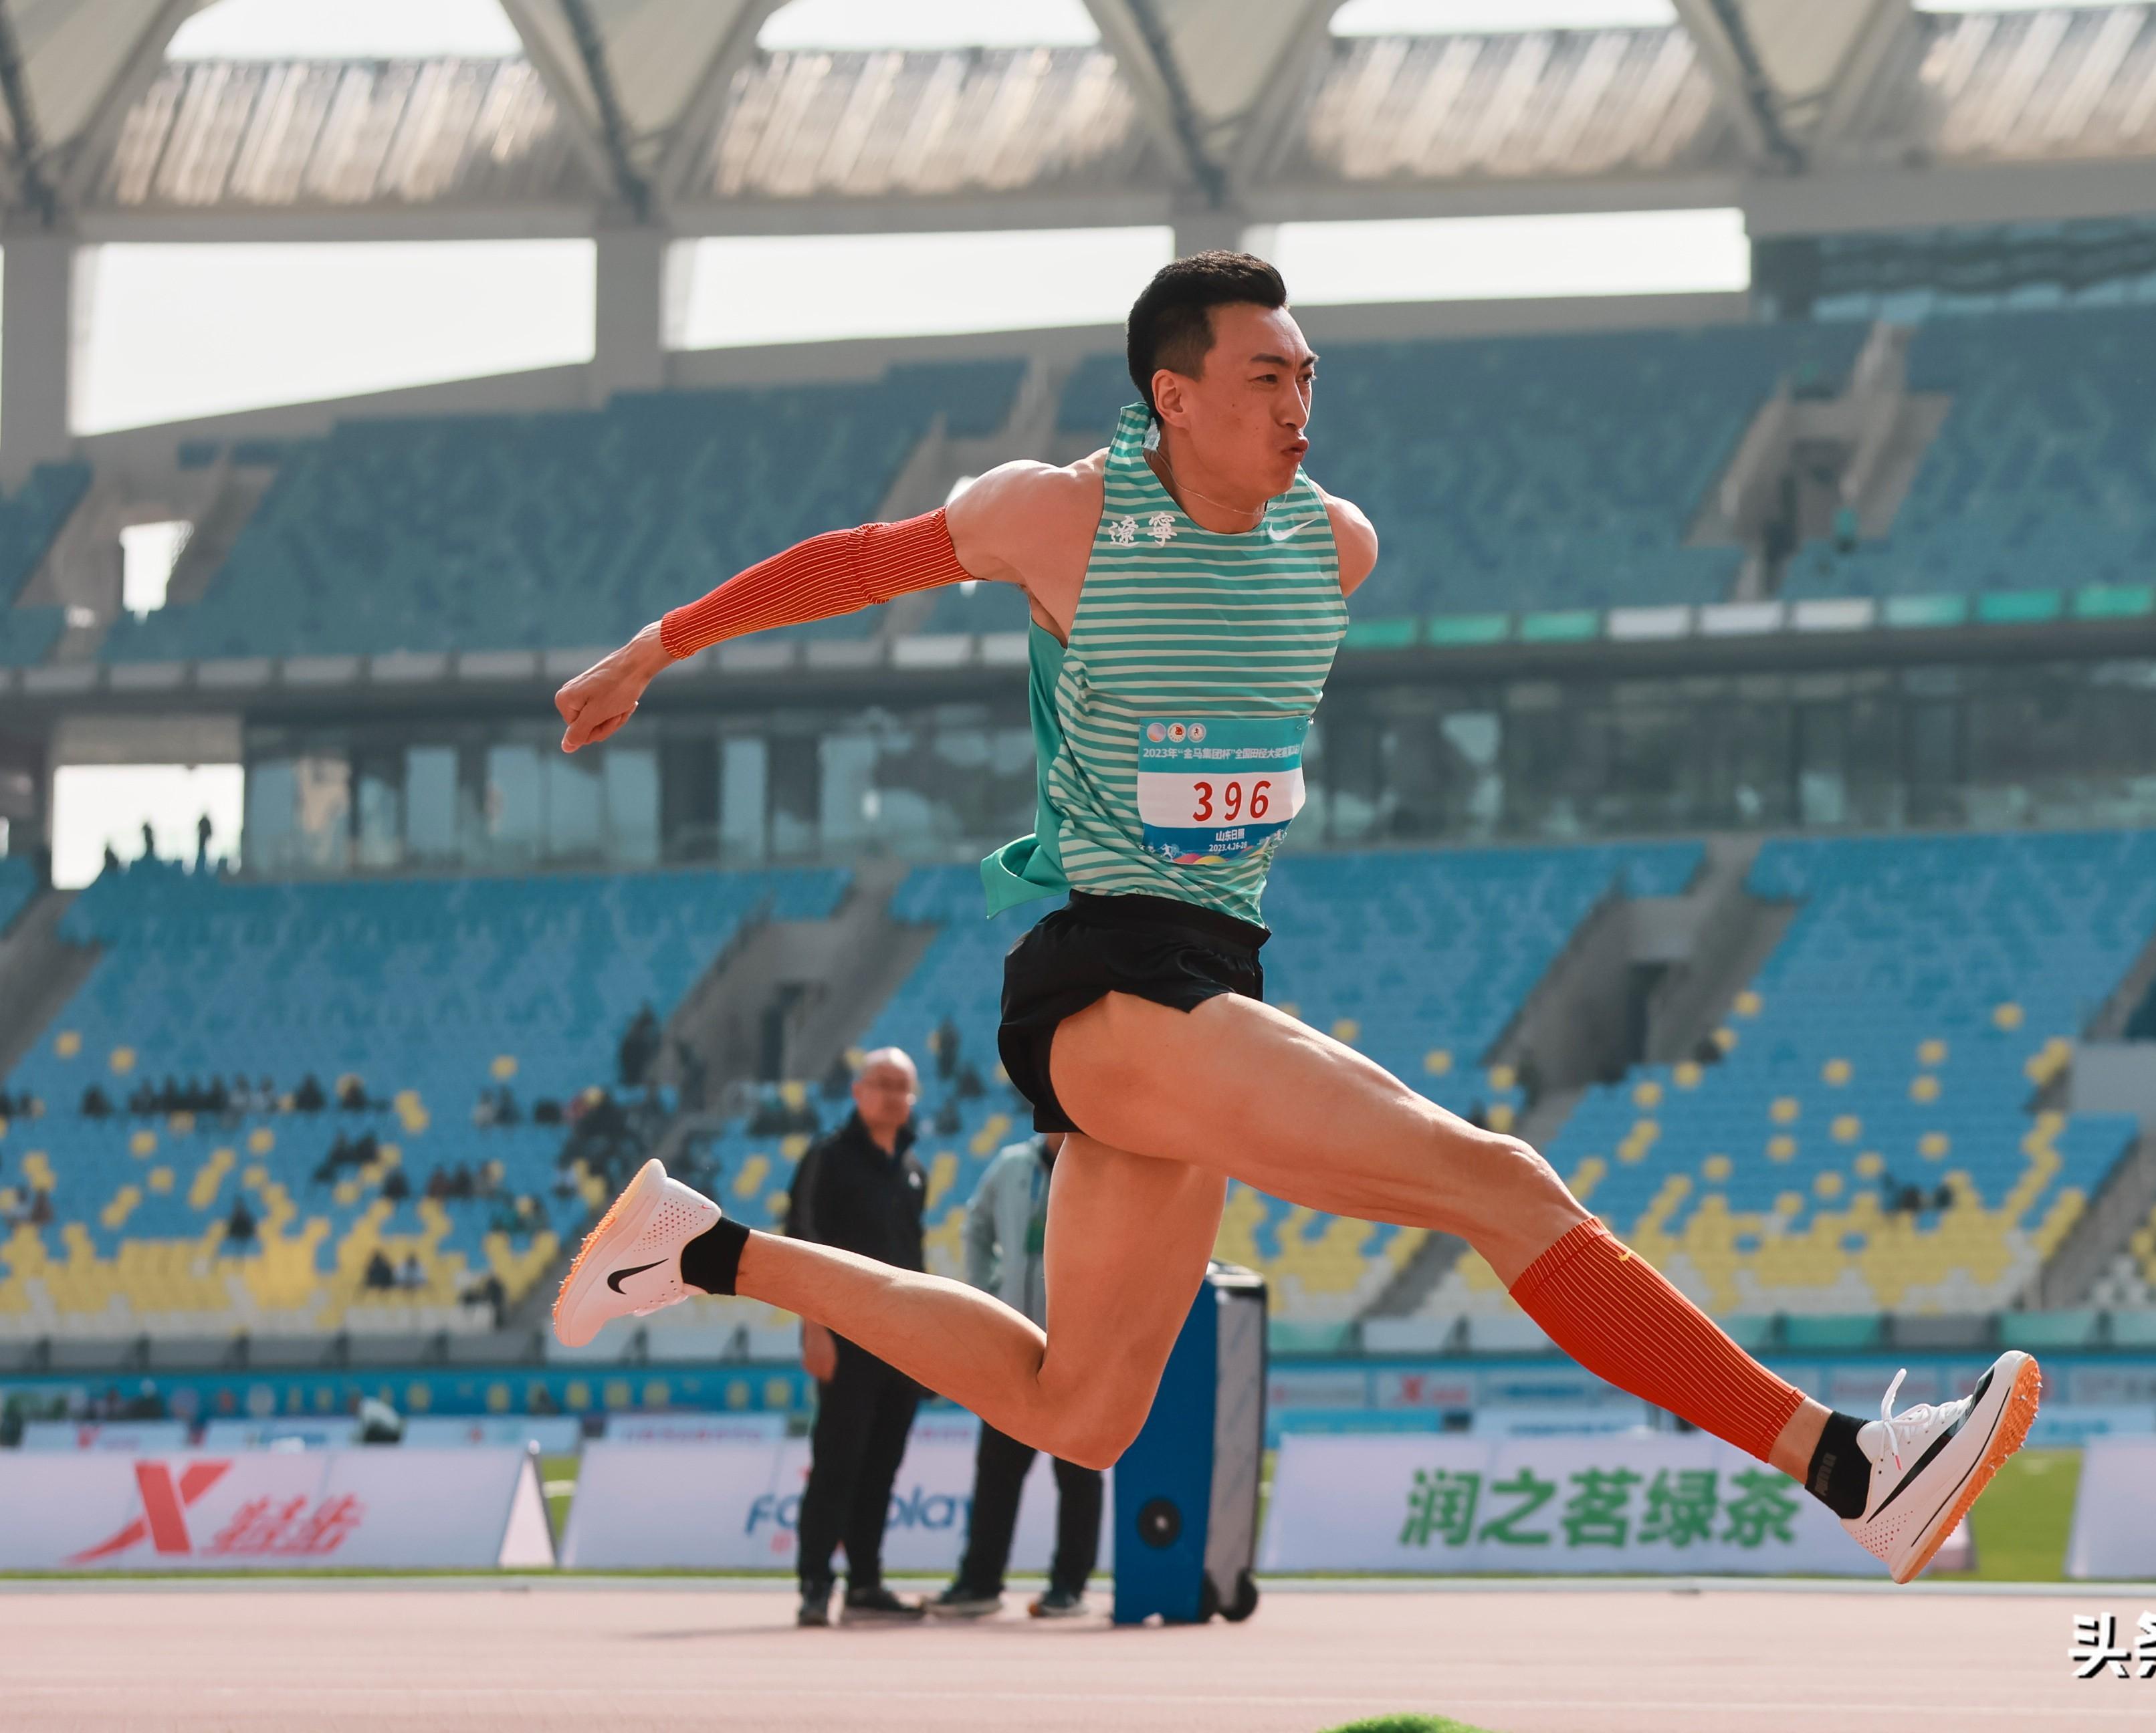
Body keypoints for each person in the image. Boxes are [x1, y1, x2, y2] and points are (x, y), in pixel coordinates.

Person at [548, 251, 2037, 1587]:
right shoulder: (1061, 517)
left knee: (1082, 1411)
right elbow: (863, 561)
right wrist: (656, 648)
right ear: (1173, 395)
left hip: (1211, 974)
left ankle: (700, 1249)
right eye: (1266, 377)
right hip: (1106, 979)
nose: (1299, 405)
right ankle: (1848, 1465)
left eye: (1308, 375)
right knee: (1504, 1184)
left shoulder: (1334, 546)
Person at [781, 1050, 933, 1627]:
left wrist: (928, 1343)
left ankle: (866, 1582)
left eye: (903, 1086)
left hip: (902, 1340)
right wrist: (814, 1329)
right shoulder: (827, 1157)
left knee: (882, 1466)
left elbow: (914, 1260)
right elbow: (800, 1244)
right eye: (882, 1083)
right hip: (844, 1336)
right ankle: (815, 1584)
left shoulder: (914, 1168)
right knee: (837, 1464)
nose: (893, 1095)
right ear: (857, 1091)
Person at [928, 1132, 1101, 1620]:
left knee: (1078, 1470)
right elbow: (976, 1225)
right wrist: (984, 1291)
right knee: (996, 1471)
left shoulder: (1104, 1167)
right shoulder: (1011, 1165)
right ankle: (980, 1582)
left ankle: (1069, 1586)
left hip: (1079, 1347)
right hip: (1012, 1346)